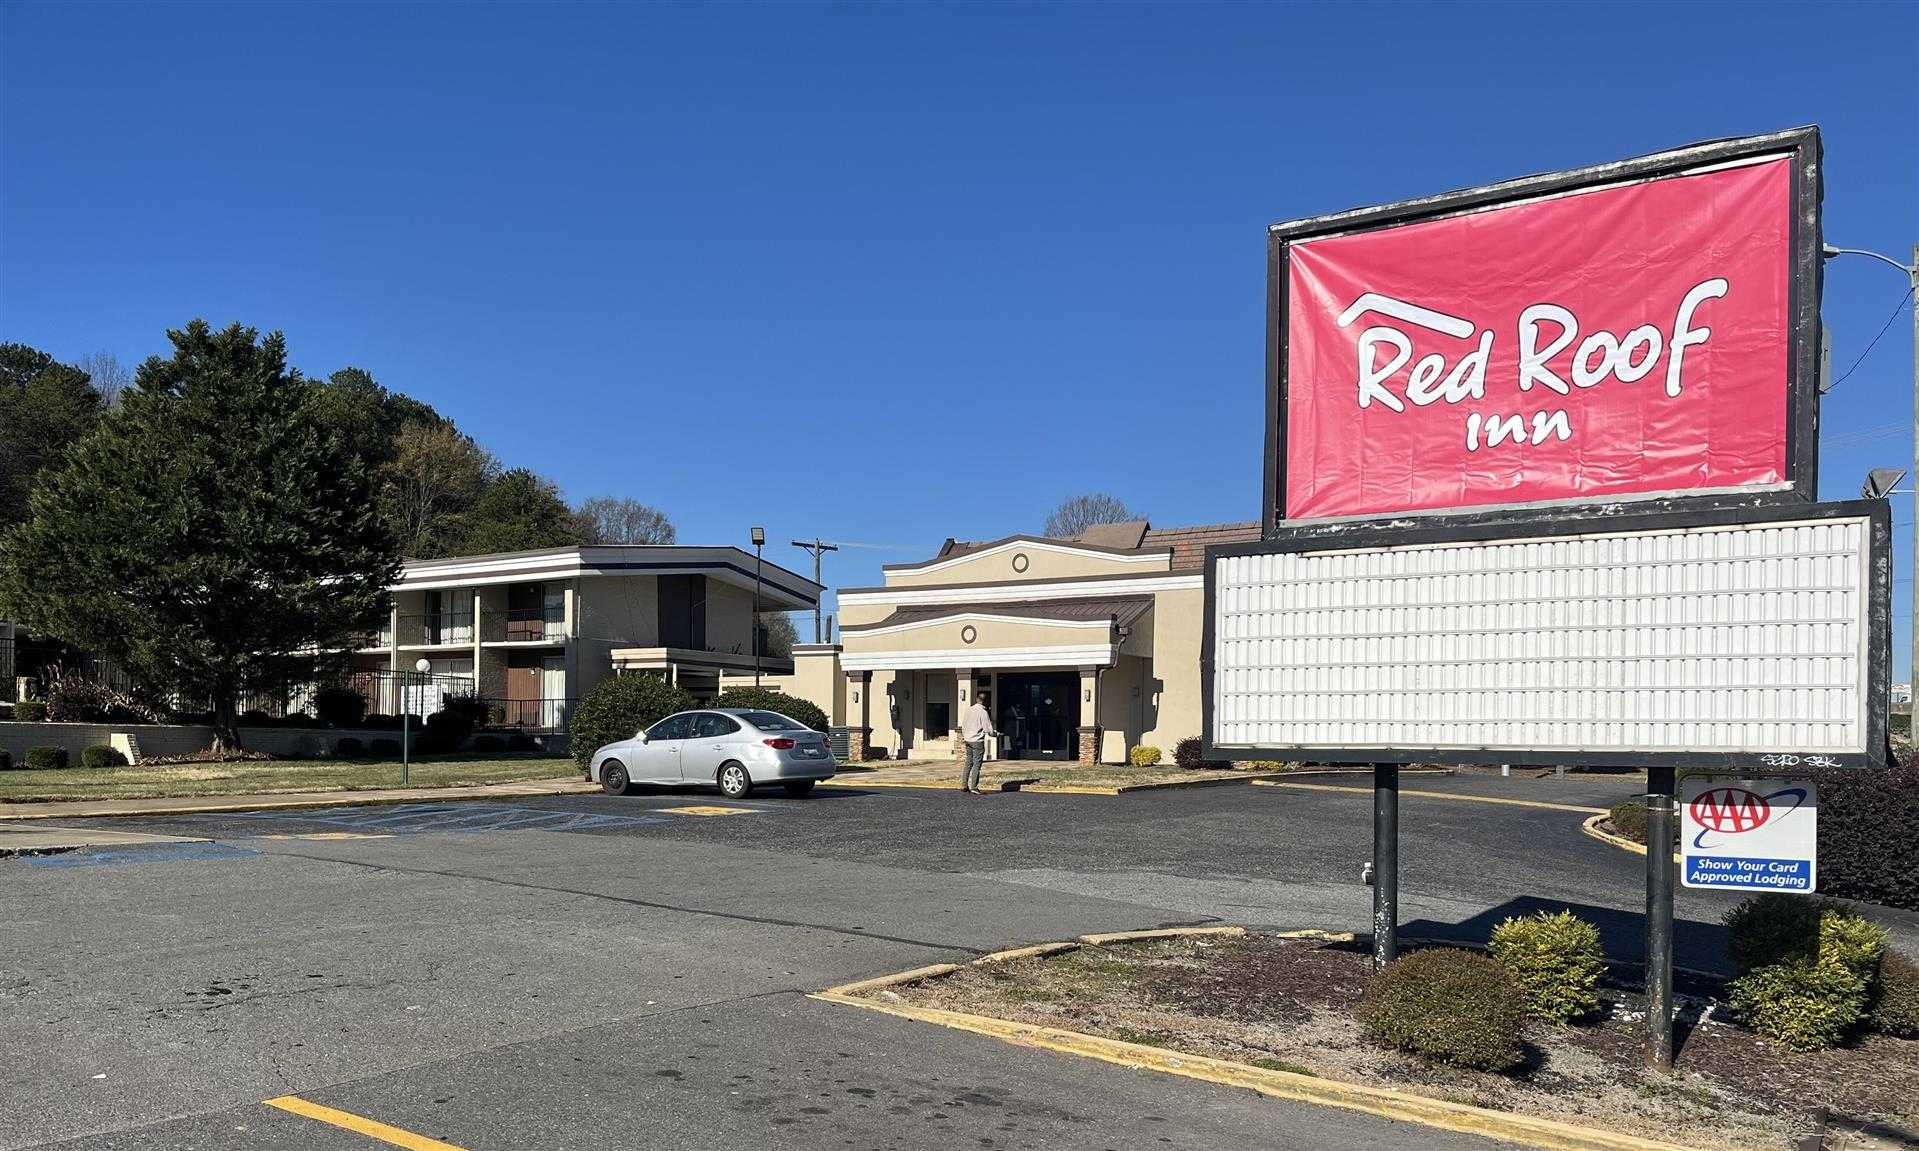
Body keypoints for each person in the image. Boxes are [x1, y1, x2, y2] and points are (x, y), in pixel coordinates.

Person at [959, 696, 997, 794]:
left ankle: (964, 785)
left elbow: (963, 725)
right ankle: (974, 787)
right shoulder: (983, 712)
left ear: (976, 700)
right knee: (977, 764)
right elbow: (988, 729)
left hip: (968, 739)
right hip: (977, 741)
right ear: (985, 702)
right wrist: (995, 734)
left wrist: (965, 736)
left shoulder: (969, 710)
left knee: (968, 763)